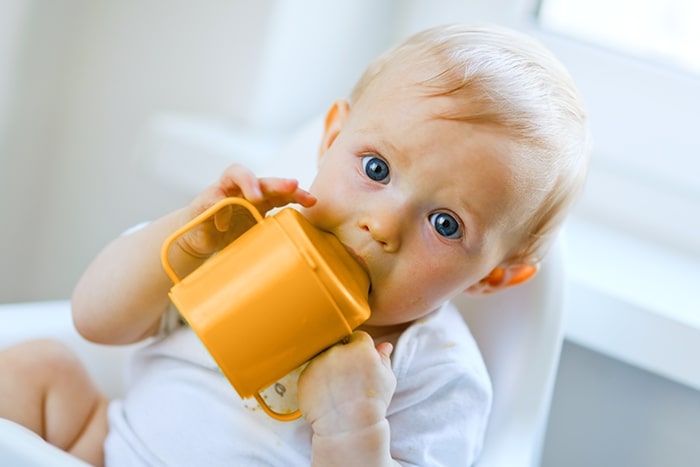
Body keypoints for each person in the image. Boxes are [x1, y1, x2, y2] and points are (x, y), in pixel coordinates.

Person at [0, 23, 589, 466]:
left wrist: (350, 427)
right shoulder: (245, 248)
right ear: (333, 138)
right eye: (377, 169)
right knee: (37, 368)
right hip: (109, 449)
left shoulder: (436, 375)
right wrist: (183, 243)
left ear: (493, 277)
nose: (382, 225)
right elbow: (95, 320)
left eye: (445, 224)